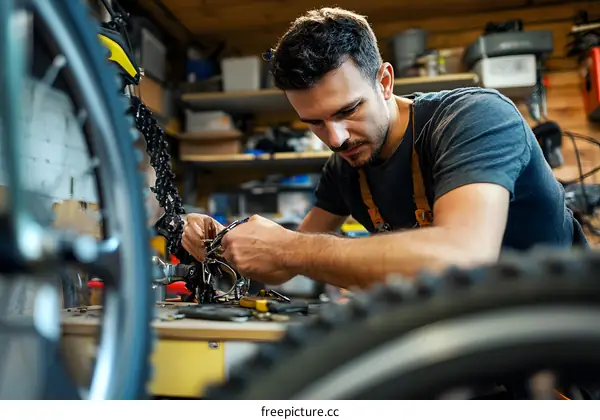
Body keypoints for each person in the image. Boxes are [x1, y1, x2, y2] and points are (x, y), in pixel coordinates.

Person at [182, 7, 586, 289]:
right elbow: (282, 267)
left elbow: (463, 255)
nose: (336, 138)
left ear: (385, 81)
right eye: (315, 123)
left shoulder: (473, 118)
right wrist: (224, 242)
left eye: (348, 110)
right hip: (467, 344)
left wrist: (292, 248)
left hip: (561, 347)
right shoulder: (345, 167)